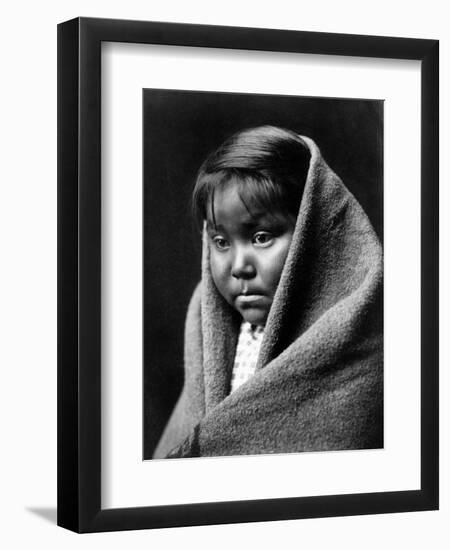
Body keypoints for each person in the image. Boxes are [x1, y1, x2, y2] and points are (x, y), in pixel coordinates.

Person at [153, 125, 383, 459]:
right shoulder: (207, 329)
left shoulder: (357, 341)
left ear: (312, 234)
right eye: (220, 242)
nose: (239, 266)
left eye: (261, 237)